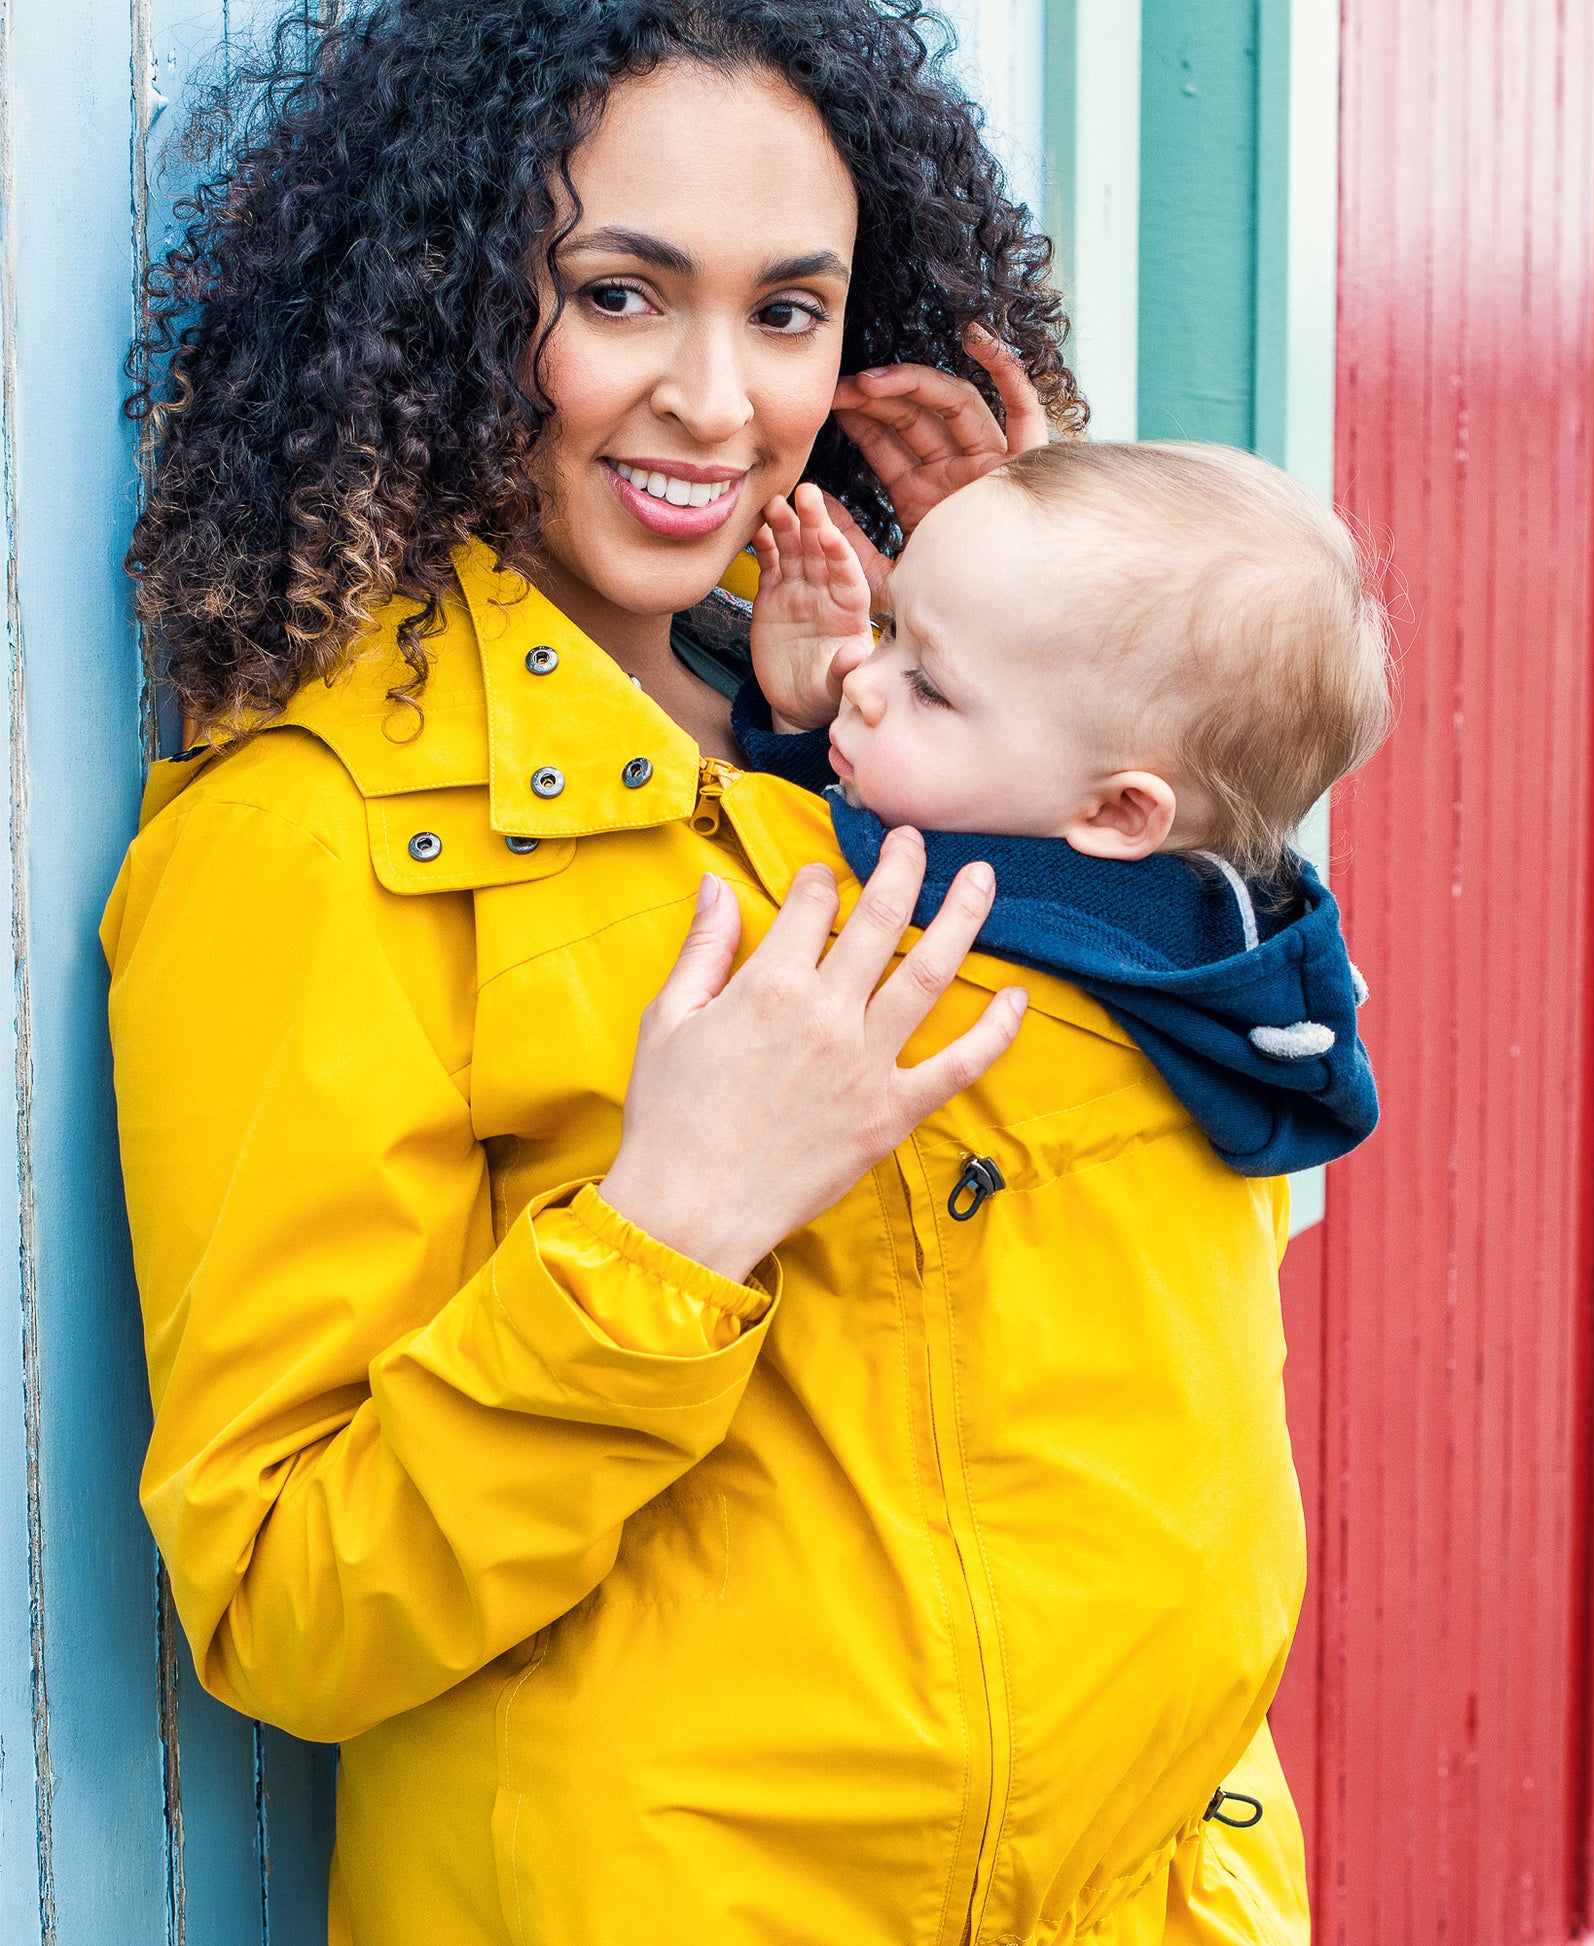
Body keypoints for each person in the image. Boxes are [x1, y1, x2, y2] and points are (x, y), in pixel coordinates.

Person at [106, 4, 1318, 1940]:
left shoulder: (877, 746)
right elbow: (292, 1606)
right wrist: (673, 1225)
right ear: (439, 305)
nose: (715, 400)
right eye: (615, 292)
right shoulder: (319, 838)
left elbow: (1218, 1187)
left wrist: (1045, 665)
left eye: (785, 312)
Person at [734, 442, 1390, 1176]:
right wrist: (805, 730)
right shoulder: (1214, 957)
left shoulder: (1036, 945)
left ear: (1116, 814)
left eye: (930, 688)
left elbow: (810, 879)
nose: (857, 674)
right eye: (889, 631)